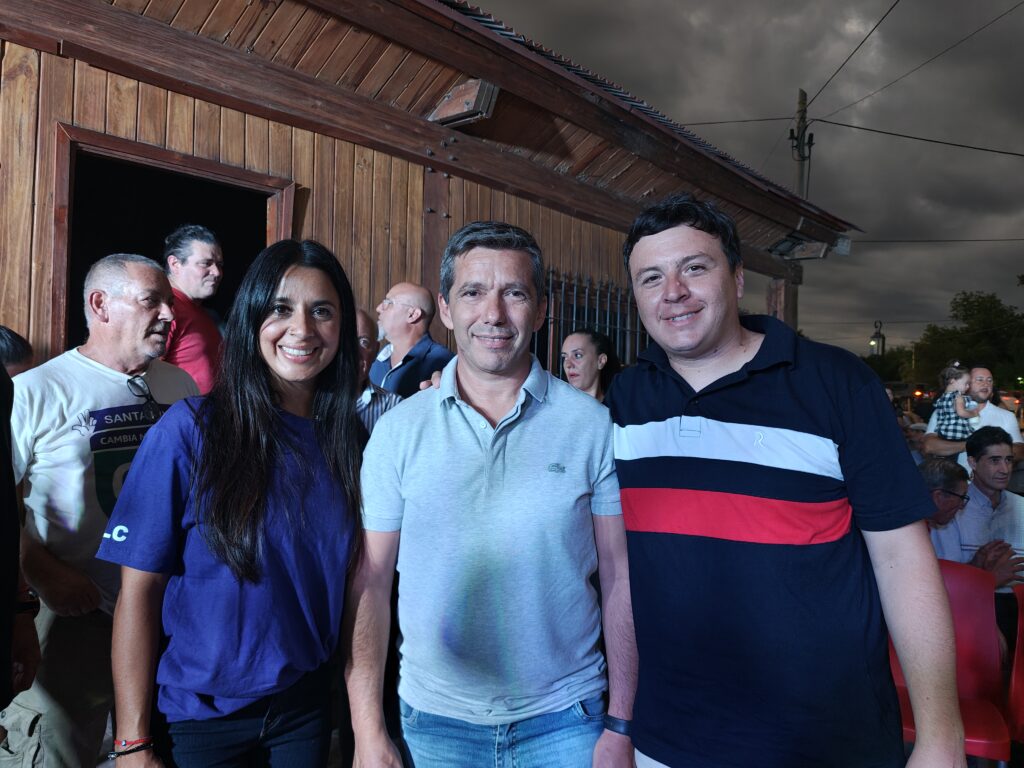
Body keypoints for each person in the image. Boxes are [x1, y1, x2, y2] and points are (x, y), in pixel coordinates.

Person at [604, 193, 963, 768]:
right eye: (651, 277)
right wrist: (621, 723)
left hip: (823, 743)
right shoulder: (627, 400)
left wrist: (941, 737)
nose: (673, 291)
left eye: (694, 267)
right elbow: (621, 568)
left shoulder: (835, 383)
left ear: (737, 278)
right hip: (668, 739)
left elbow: (902, 558)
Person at [347, 221, 637, 768]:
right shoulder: (399, 430)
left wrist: (620, 722)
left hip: (566, 719)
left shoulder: (592, 426)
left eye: (515, 293)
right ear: (446, 308)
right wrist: (366, 729)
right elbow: (371, 580)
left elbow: (619, 577)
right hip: (434, 723)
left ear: (542, 309)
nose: (494, 313)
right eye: (474, 292)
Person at [96, 240, 363, 765]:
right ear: (250, 319)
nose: (302, 329)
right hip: (199, 717)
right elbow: (138, 593)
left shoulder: (351, 442)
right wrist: (131, 740)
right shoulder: (190, 429)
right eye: (280, 308)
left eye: (322, 311)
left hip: (305, 709)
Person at [0, 254, 198, 766]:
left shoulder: (181, 387)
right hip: (74, 613)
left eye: (169, 303)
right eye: (152, 301)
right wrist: (39, 570)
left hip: (165, 614)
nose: (169, 315)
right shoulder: (36, 390)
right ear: (100, 304)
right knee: (57, 752)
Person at [951, 426, 1024, 649]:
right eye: (994, 460)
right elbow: (944, 581)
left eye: (1009, 460)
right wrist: (986, 579)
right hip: (967, 608)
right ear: (972, 463)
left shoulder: (1021, 506)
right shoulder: (953, 508)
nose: (1005, 469)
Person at [923, 365, 1024, 471]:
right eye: (979, 380)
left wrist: (988, 450)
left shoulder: (1007, 416)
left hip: (988, 481)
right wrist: (972, 445)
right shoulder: (945, 409)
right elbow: (929, 446)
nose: (986, 384)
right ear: (966, 383)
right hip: (952, 479)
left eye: (989, 380)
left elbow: (1020, 450)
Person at [162, 224, 225, 394]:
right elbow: (141, 378)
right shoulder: (164, 310)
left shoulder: (201, 312)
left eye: (219, 264)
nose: (217, 272)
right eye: (206, 263)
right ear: (175, 264)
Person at [369, 281, 452, 397]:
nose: (378, 308)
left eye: (388, 302)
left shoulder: (444, 363)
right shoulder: (374, 358)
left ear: (413, 314)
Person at [355, 309, 402, 435]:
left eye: (363, 342)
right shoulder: (308, 401)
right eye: (344, 341)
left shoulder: (394, 407)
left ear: (375, 351)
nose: (353, 351)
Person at [560, 328, 620, 402]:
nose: (568, 365)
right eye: (565, 357)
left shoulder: (617, 407)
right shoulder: (555, 406)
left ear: (601, 361)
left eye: (577, 355)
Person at [932, 364, 984, 442]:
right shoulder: (958, 397)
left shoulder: (941, 399)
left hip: (942, 433)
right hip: (957, 432)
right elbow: (961, 413)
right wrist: (974, 413)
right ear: (952, 381)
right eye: (966, 383)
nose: (968, 386)